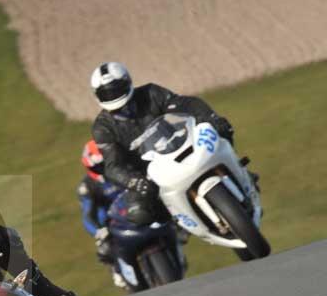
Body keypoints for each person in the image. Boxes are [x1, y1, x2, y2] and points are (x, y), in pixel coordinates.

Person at [89, 61, 243, 226]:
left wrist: (211, 118)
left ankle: (239, 171)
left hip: (180, 144)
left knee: (222, 130)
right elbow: (113, 166)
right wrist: (133, 181)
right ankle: (178, 223)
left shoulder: (151, 93)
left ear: (127, 82)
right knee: (140, 214)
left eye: (116, 90)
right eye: (107, 94)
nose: (113, 96)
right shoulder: (102, 127)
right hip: (150, 172)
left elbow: (186, 104)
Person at [77, 139, 126, 288]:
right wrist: (99, 231)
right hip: (112, 223)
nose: (104, 169)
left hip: (138, 211)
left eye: (106, 163)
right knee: (105, 247)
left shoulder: (126, 168)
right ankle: (117, 267)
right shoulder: (88, 186)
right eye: (99, 166)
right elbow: (88, 215)